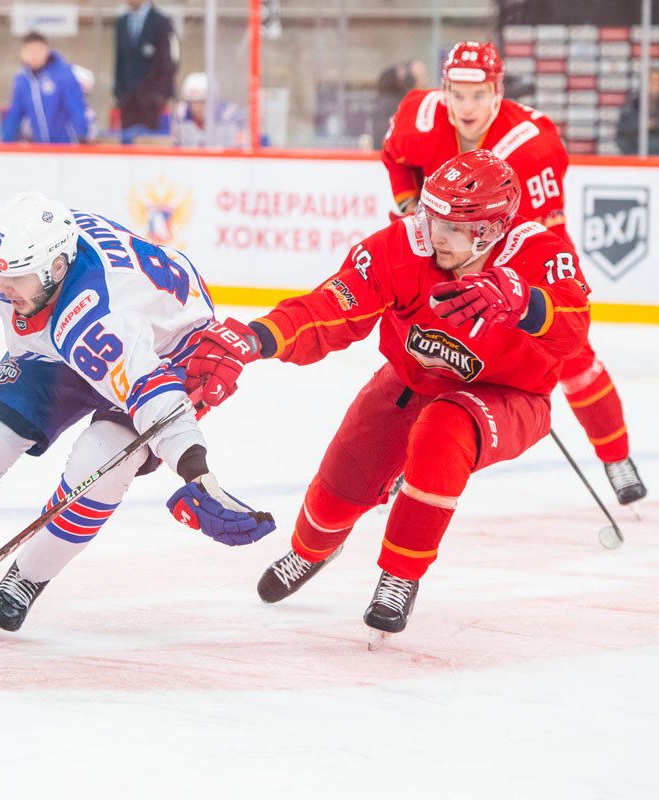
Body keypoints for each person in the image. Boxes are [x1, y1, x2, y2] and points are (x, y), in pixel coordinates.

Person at [183, 151, 592, 647]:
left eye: (453, 227)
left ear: (491, 230)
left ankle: (400, 574)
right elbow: (330, 308)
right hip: (410, 380)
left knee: (442, 434)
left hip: (509, 396)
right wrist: (257, 337)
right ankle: (312, 551)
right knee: (340, 486)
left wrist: (526, 304)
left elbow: (574, 330)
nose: (436, 235)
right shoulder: (400, 246)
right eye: (431, 216)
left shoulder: (541, 254)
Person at [0, 191, 276, 633]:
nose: (1, 288)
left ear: (57, 268)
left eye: (16, 278)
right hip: (67, 336)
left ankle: (29, 575)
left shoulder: (97, 320)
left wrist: (197, 475)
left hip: (164, 352)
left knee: (99, 468)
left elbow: (155, 397)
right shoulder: (9, 261)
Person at [381, 41, 646, 506]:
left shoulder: (531, 144)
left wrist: (515, 291)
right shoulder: (419, 117)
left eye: (478, 95)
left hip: (519, 256)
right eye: (457, 94)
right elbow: (396, 159)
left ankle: (616, 455)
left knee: (573, 357)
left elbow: (545, 236)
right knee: (431, 354)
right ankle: (408, 461)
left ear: (498, 92)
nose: (467, 107)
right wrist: (411, 208)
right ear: (444, 90)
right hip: (447, 254)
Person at [0, 32, 88, 144]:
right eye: (30, 50)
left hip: (66, 146)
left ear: (47, 50)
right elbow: (15, 114)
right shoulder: (22, 80)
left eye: (38, 50)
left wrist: (81, 135)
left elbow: (76, 106)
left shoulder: (63, 74)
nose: (34, 55)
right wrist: (6, 142)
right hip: (41, 146)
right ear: (23, 52)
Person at [113, 0, 176, 132]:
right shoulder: (121, 22)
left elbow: (166, 62)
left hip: (151, 103)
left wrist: (159, 96)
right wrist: (119, 93)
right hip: (128, 101)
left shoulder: (160, 21)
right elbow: (119, 60)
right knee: (128, 140)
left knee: (149, 141)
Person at [172, 72, 246, 148]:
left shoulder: (229, 116)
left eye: (202, 102)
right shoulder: (182, 115)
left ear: (214, 101)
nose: (197, 108)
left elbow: (238, 149)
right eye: (193, 102)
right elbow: (177, 147)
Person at [370, 58, 425, 150]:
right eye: (421, 76)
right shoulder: (395, 105)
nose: (424, 82)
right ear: (409, 80)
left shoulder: (411, 103)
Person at [615, 68, 659, 155]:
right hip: (634, 157)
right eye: (651, 81)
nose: (654, 85)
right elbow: (622, 134)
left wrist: (654, 124)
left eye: (657, 81)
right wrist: (640, 125)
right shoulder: (631, 104)